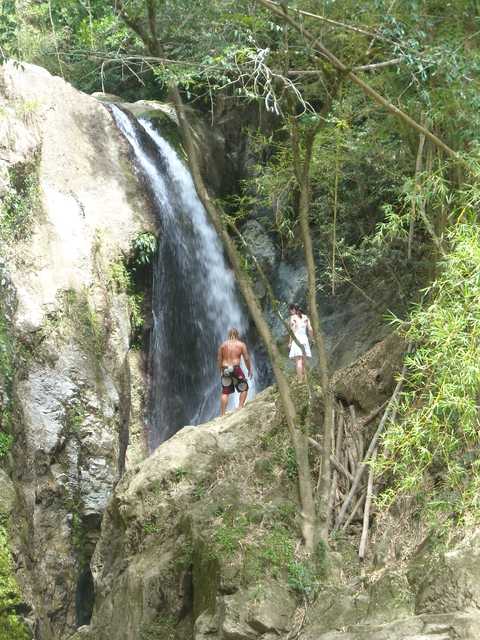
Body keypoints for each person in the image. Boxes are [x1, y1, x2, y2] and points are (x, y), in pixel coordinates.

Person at [217, 328, 253, 416]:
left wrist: (220, 371)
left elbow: (219, 359)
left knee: (225, 391)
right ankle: (240, 407)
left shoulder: (223, 345)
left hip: (225, 368)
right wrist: (249, 370)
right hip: (235, 368)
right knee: (244, 387)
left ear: (228, 335)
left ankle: (223, 414)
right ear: (238, 335)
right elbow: (246, 358)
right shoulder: (241, 345)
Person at [288, 303, 314, 382]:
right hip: (304, 340)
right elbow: (310, 329)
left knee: (298, 362)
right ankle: (306, 380)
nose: (290, 312)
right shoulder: (306, 317)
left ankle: (300, 381)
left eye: (290, 310)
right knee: (305, 362)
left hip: (297, 340)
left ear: (293, 309)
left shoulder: (293, 317)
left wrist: (290, 342)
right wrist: (311, 339)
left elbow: (292, 330)